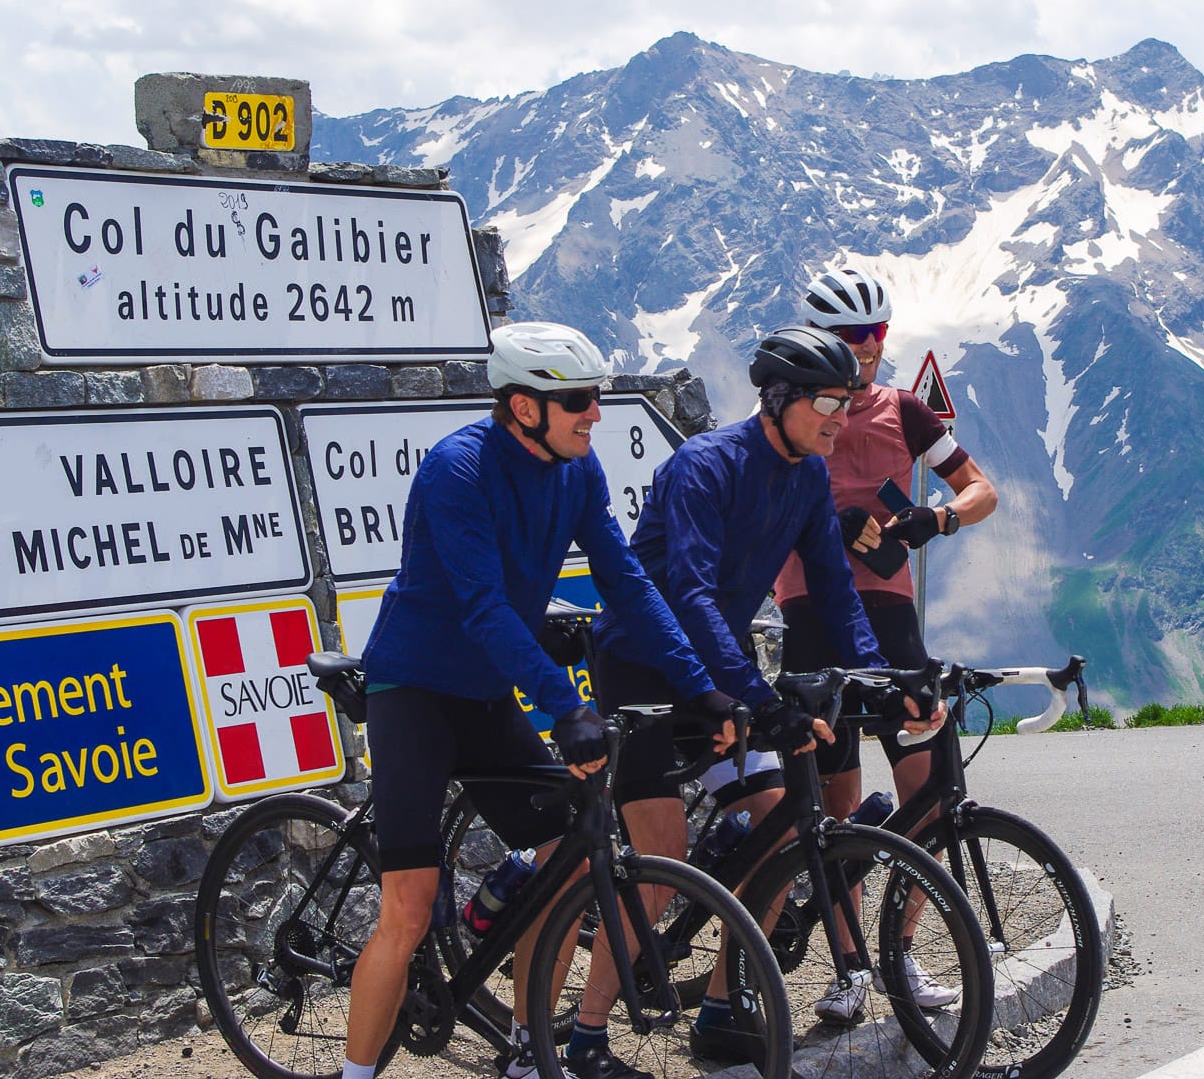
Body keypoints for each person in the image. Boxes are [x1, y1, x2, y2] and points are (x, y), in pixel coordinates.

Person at [342, 322, 740, 1079]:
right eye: (579, 402)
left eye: (596, 399)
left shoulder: (576, 471)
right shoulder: (456, 470)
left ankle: (531, 1052)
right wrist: (567, 707)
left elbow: (627, 581)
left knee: (562, 861)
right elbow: (485, 607)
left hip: (487, 692)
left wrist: (701, 687)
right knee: (410, 908)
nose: (596, 414)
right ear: (525, 408)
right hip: (416, 691)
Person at [586, 326, 942, 1059]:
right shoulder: (704, 467)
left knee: (781, 820)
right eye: (826, 403)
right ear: (778, 400)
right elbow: (688, 594)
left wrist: (883, 679)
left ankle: (724, 1002)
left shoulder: (807, 474)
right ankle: (586, 1033)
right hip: (641, 665)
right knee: (660, 855)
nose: (840, 420)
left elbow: (839, 592)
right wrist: (760, 698)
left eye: (848, 403)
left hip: (717, 664)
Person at [773, 266, 998, 1021]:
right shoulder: (790, 410)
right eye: (846, 336)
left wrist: (941, 519)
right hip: (811, 618)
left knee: (929, 799)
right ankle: (849, 969)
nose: (863, 348)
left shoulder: (904, 411)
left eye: (873, 334)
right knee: (835, 811)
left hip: (893, 623)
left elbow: (982, 490)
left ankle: (900, 954)